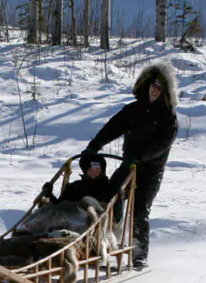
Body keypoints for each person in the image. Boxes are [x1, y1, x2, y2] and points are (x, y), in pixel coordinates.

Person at [81, 61, 179, 269]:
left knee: (140, 211)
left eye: (160, 87)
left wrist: (140, 157)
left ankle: (139, 255)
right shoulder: (133, 110)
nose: (155, 90)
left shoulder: (169, 119)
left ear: (166, 92)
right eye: (153, 84)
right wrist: (94, 145)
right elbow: (113, 127)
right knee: (108, 197)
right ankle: (102, 244)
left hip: (150, 171)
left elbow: (162, 145)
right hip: (128, 165)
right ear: (146, 85)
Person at [40, 153, 114, 206]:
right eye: (91, 170)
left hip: (96, 225)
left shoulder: (108, 188)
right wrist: (50, 195)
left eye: (97, 170)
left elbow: (116, 219)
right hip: (67, 222)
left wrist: (119, 201)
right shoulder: (76, 187)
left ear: (102, 171)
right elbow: (59, 206)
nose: (94, 173)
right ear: (85, 172)